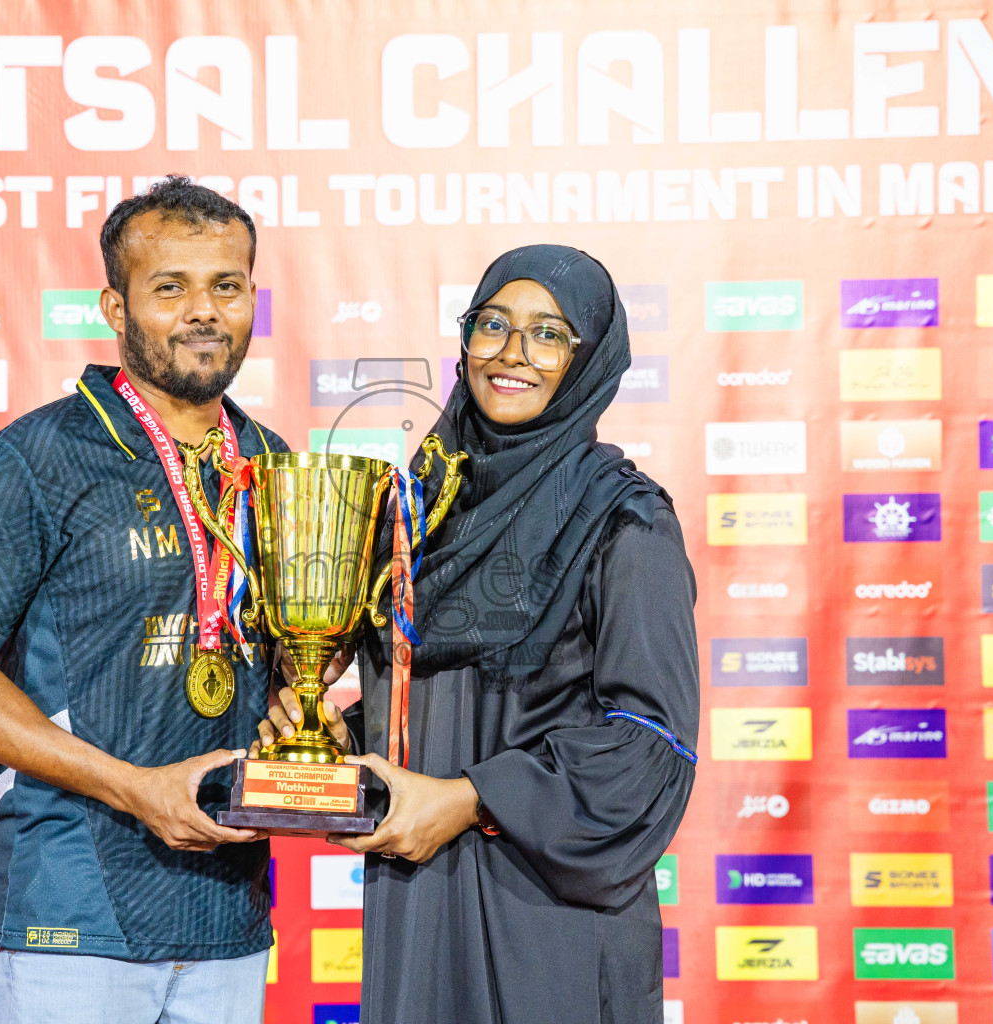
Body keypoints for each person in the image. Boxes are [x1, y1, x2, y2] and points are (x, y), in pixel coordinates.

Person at [258, 244, 699, 1024]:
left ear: (590, 359)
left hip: (544, 919)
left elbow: (648, 745)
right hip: (416, 899)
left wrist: (466, 801)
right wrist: (336, 735)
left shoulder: (625, 520)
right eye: (490, 324)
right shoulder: (419, 511)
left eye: (548, 334)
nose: (511, 354)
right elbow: (446, 707)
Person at [0, 176, 287, 1024]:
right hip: (66, 914)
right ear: (114, 308)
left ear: (253, 297)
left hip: (227, 913)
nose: (203, 312)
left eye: (225, 286)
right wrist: (133, 788)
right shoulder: (34, 457)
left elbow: (277, 658)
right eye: (169, 288)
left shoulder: (273, 461)